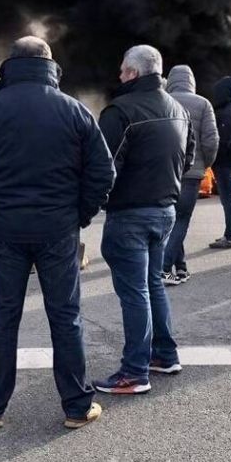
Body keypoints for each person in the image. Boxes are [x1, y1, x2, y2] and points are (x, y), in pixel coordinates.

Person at [0, 36, 114, 430]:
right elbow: (102, 174)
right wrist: (78, 214)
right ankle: (76, 407)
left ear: (10, 63)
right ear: (50, 64)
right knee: (66, 317)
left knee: (2, 319)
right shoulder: (75, 111)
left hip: (4, 229)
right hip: (58, 229)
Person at [95, 45, 193, 395]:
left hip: (130, 214)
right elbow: (189, 154)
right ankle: (164, 355)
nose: (119, 77)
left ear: (133, 73)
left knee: (136, 291)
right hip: (165, 209)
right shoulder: (178, 108)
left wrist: (92, 204)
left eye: (122, 71)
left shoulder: (120, 110)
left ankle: (135, 372)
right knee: (152, 285)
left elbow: (102, 167)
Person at [161, 65, 218, 285]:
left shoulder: (164, 101)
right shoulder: (203, 104)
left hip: (167, 171)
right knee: (181, 219)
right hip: (192, 173)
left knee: (173, 219)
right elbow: (211, 140)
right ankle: (165, 268)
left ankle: (181, 267)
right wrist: (205, 164)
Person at [209, 75, 231, 249]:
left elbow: (223, 141)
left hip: (225, 162)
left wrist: (213, 158)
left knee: (228, 199)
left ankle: (230, 236)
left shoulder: (228, 113)